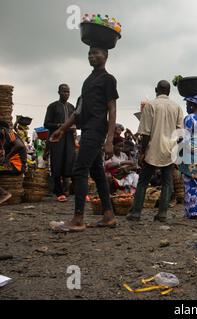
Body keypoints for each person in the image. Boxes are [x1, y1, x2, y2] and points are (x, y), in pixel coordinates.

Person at [49, 46, 119, 232]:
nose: (92, 56)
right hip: (87, 129)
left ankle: (78, 219)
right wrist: (62, 130)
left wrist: (109, 139)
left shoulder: (108, 79)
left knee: (79, 170)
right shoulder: (87, 81)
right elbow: (78, 111)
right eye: (89, 53)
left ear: (105, 56)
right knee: (96, 172)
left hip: (96, 130)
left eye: (96, 52)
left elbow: (111, 109)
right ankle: (109, 215)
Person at [126, 80, 183, 222]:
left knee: (143, 182)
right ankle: (162, 213)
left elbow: (145, 133)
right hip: (169, 150)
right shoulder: (176, 107)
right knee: (167, 182)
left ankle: (136, 213)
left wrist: (142, 152)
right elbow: (179, 134)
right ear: (169, 92)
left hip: (152, 149)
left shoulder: (150, 105)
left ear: (156, 89)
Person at [44, 84, 76, 202]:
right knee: (57, 163)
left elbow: (76, 121)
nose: (66, 94)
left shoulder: (72, 107)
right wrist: (60, 126)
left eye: (68, 92)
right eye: (64, 92)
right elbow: (46, 124)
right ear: (59, 92)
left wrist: (73, 127)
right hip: (57, 138)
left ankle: (70, 190)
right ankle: (58, 192)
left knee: (70, 163)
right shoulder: (52, 106)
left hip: (69, 139)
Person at [0, 120, 27, 204]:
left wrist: (7, 158)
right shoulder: (4, 139)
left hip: (16, 165)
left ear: (3, 129)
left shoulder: (10, 133)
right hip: (11, 165)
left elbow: (20, 145)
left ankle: (4, 194)